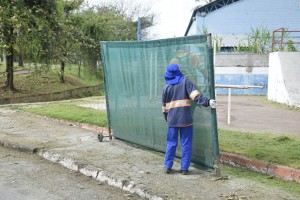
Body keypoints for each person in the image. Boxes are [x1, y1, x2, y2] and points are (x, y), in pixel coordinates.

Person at [161, 63, 216, 175]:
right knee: (186, 144)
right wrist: (208, 102)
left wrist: (168, 118)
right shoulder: (186, 83)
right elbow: (196, 97)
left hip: (172, 121)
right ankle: (184, 168)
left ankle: (168, 166)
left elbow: (164, 108)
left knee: (171, 143)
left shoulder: (166, 88)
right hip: (185, 120)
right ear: (179, 71)